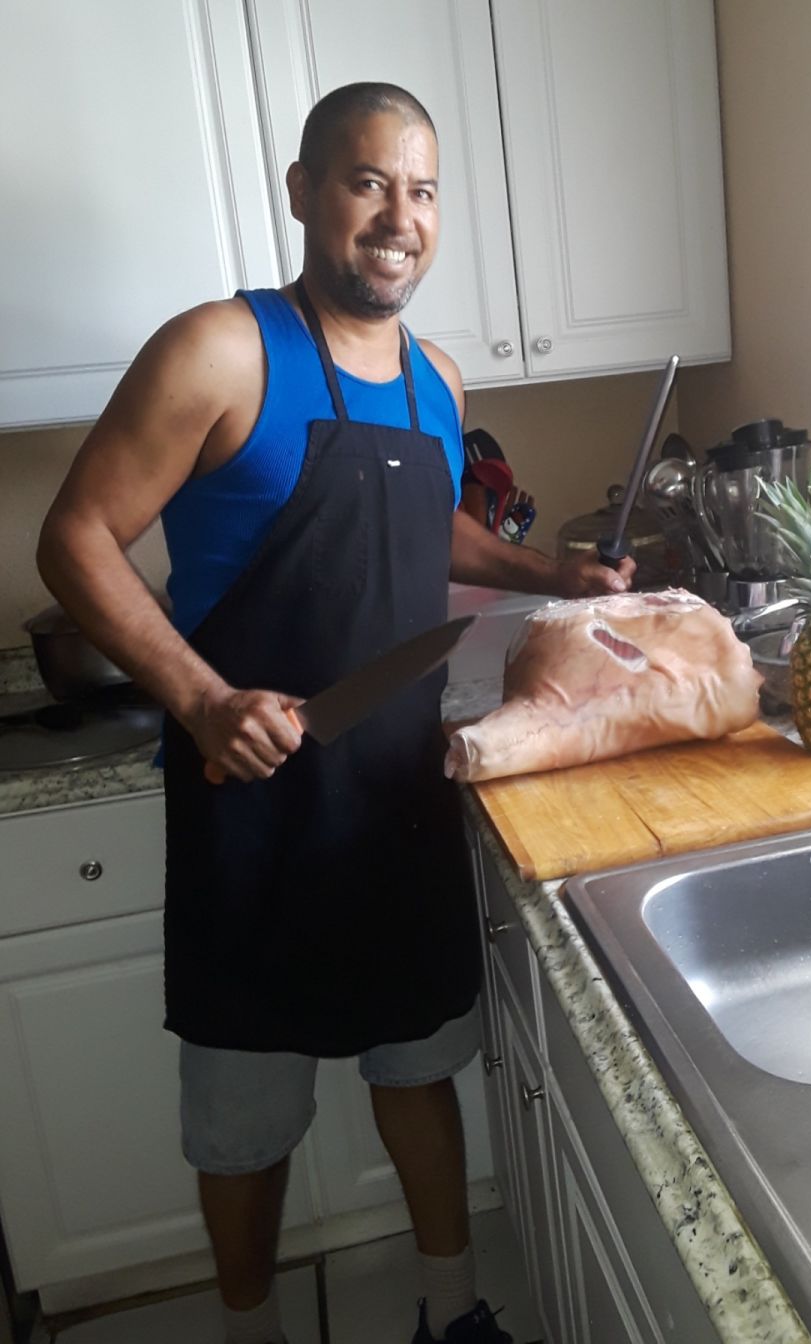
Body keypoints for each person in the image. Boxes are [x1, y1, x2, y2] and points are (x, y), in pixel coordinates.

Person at [36, 82, 634, 1344]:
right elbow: (76, 536)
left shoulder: (434, 378)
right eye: (368, 183)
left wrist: (551, 573)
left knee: (417, 1066)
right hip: (249, 808)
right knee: (244, 1121)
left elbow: (435, 523)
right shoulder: (222, 350)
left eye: (422, 191)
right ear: (305, 192)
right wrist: (202, 699)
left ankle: (448, 1312)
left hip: (396, 797)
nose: (398, 218)